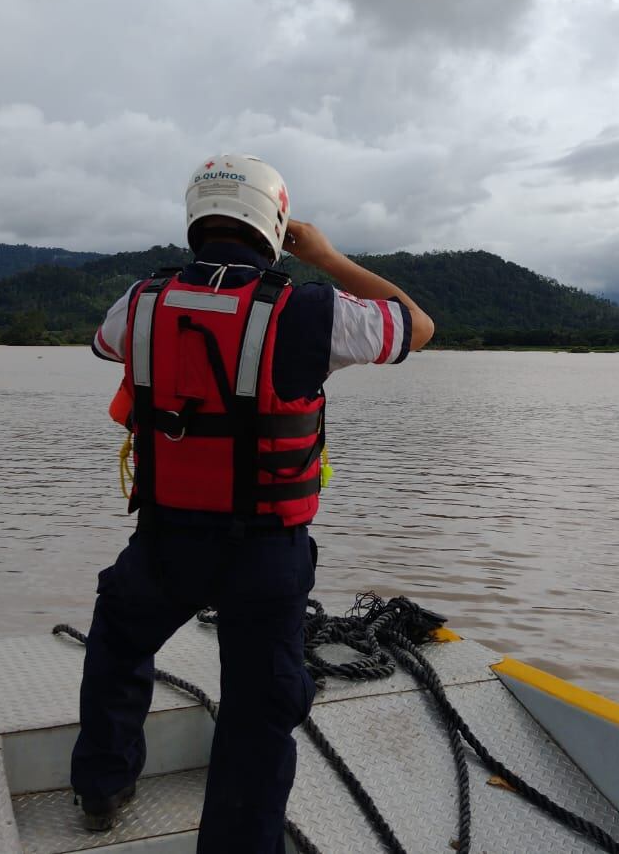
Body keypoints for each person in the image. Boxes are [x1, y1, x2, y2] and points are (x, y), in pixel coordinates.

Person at [71, 153, 434, 852]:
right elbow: (416, 326)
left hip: (165, 539)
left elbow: (104, 344)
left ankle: (102, 789)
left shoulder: (139, 302)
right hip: (267, 551)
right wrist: (326, 257)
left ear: (195, 219)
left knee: (118, 643)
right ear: (274, 223)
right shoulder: (311, 312)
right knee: (259, 707)